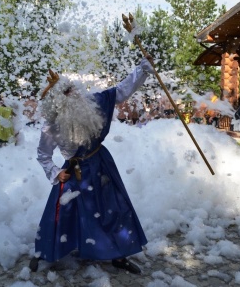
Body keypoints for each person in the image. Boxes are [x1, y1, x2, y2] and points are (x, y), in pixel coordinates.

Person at [30, 57, 154, 274]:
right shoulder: (51, 127)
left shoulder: (95, 103)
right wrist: (55, 172)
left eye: (72, 88)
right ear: (57, 102)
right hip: (73, 171)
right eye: (67, 93)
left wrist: (142, 69)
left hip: (101, 164)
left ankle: (119, 254)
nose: (74, 94)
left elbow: (121, 90)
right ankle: (46, 252)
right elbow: (43, 154)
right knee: (62, 214)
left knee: (115, 209)